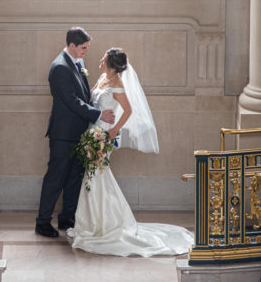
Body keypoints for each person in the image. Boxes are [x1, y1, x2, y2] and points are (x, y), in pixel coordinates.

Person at [66, 48, 194, 256]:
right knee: (92, 175)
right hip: (92, 129)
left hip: (105, 134)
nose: (100, 60)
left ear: (113, 65)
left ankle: (105, 224)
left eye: (104, 59)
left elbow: (128, 110)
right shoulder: (101, 77)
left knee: (96, 174)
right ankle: (92, 222)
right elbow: (92, 102)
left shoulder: (117, 83)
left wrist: (114, 130)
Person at [35, 27, 115, 238]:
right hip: (63, 133)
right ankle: (42, 222)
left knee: (74, 177)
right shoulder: (59, 67)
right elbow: (71, 101)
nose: (86, 51)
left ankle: (67, 217)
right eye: (83, 48)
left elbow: (84, 93)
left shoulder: (79, 62)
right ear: (72, 46)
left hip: (79, 131)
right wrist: (98, 115)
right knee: (56, 177)